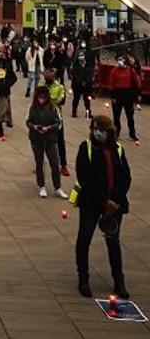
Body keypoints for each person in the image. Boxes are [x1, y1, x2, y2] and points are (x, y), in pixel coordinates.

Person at [75, 115, 131, 299]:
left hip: (114, 206)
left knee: (113, 242)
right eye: (94, 128)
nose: (96, 132)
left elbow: (125, 178)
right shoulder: (87, 148)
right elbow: (84, 178)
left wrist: (114, 200)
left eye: (100, 129)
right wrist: (104, 200)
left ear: (109, 131)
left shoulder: (118, 150)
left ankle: (119, 282)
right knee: (84, 239)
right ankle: (83, 279)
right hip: (92, 202)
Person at [26, 87, 67, 199]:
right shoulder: (32, 107)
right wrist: (35, 127)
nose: (42, 99)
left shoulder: (54, 108)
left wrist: (48, 128)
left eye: (44, 97)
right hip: (36, 138)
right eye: (40, 96)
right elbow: (28, 121)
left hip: (50, 139)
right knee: (39, 163)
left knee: (54, 163)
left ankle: (57, 187)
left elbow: (58, 123)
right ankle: (41, 186)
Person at [109, 54, 141, 142]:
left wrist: (138, 94)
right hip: (117, 94)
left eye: (121, 60)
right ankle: (116, 133)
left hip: (128, 95)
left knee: (130, 116)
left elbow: (137, 83)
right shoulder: (114, 71)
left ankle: (132, 133)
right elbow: (111, 85)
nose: (120, 62)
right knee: (116, 117)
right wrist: (113, 97)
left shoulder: (131, 71)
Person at [70, 53, 94, 119]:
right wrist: (80, 82)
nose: (81, 57)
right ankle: (74, 112)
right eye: (80, 56)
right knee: (76, 99)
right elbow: (74, 75)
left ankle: (88, 113)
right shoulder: (75, 65)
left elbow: (90, 74)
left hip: (86, 85)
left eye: (82, 55)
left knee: (87, 100)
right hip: (77, 85)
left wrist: (86, 81)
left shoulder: (88, 65)